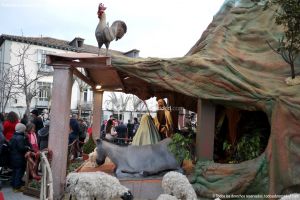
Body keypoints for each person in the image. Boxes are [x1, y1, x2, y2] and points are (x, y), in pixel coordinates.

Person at [9, 123, 32, 192]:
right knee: (19, 172)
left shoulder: (13, 136)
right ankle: (17, 187)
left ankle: (13, 184)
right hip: (19, 158)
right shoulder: (20, 138)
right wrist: (27, 147)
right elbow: (21, 148)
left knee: (15, 172)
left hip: (13, 157)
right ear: (22, 130)